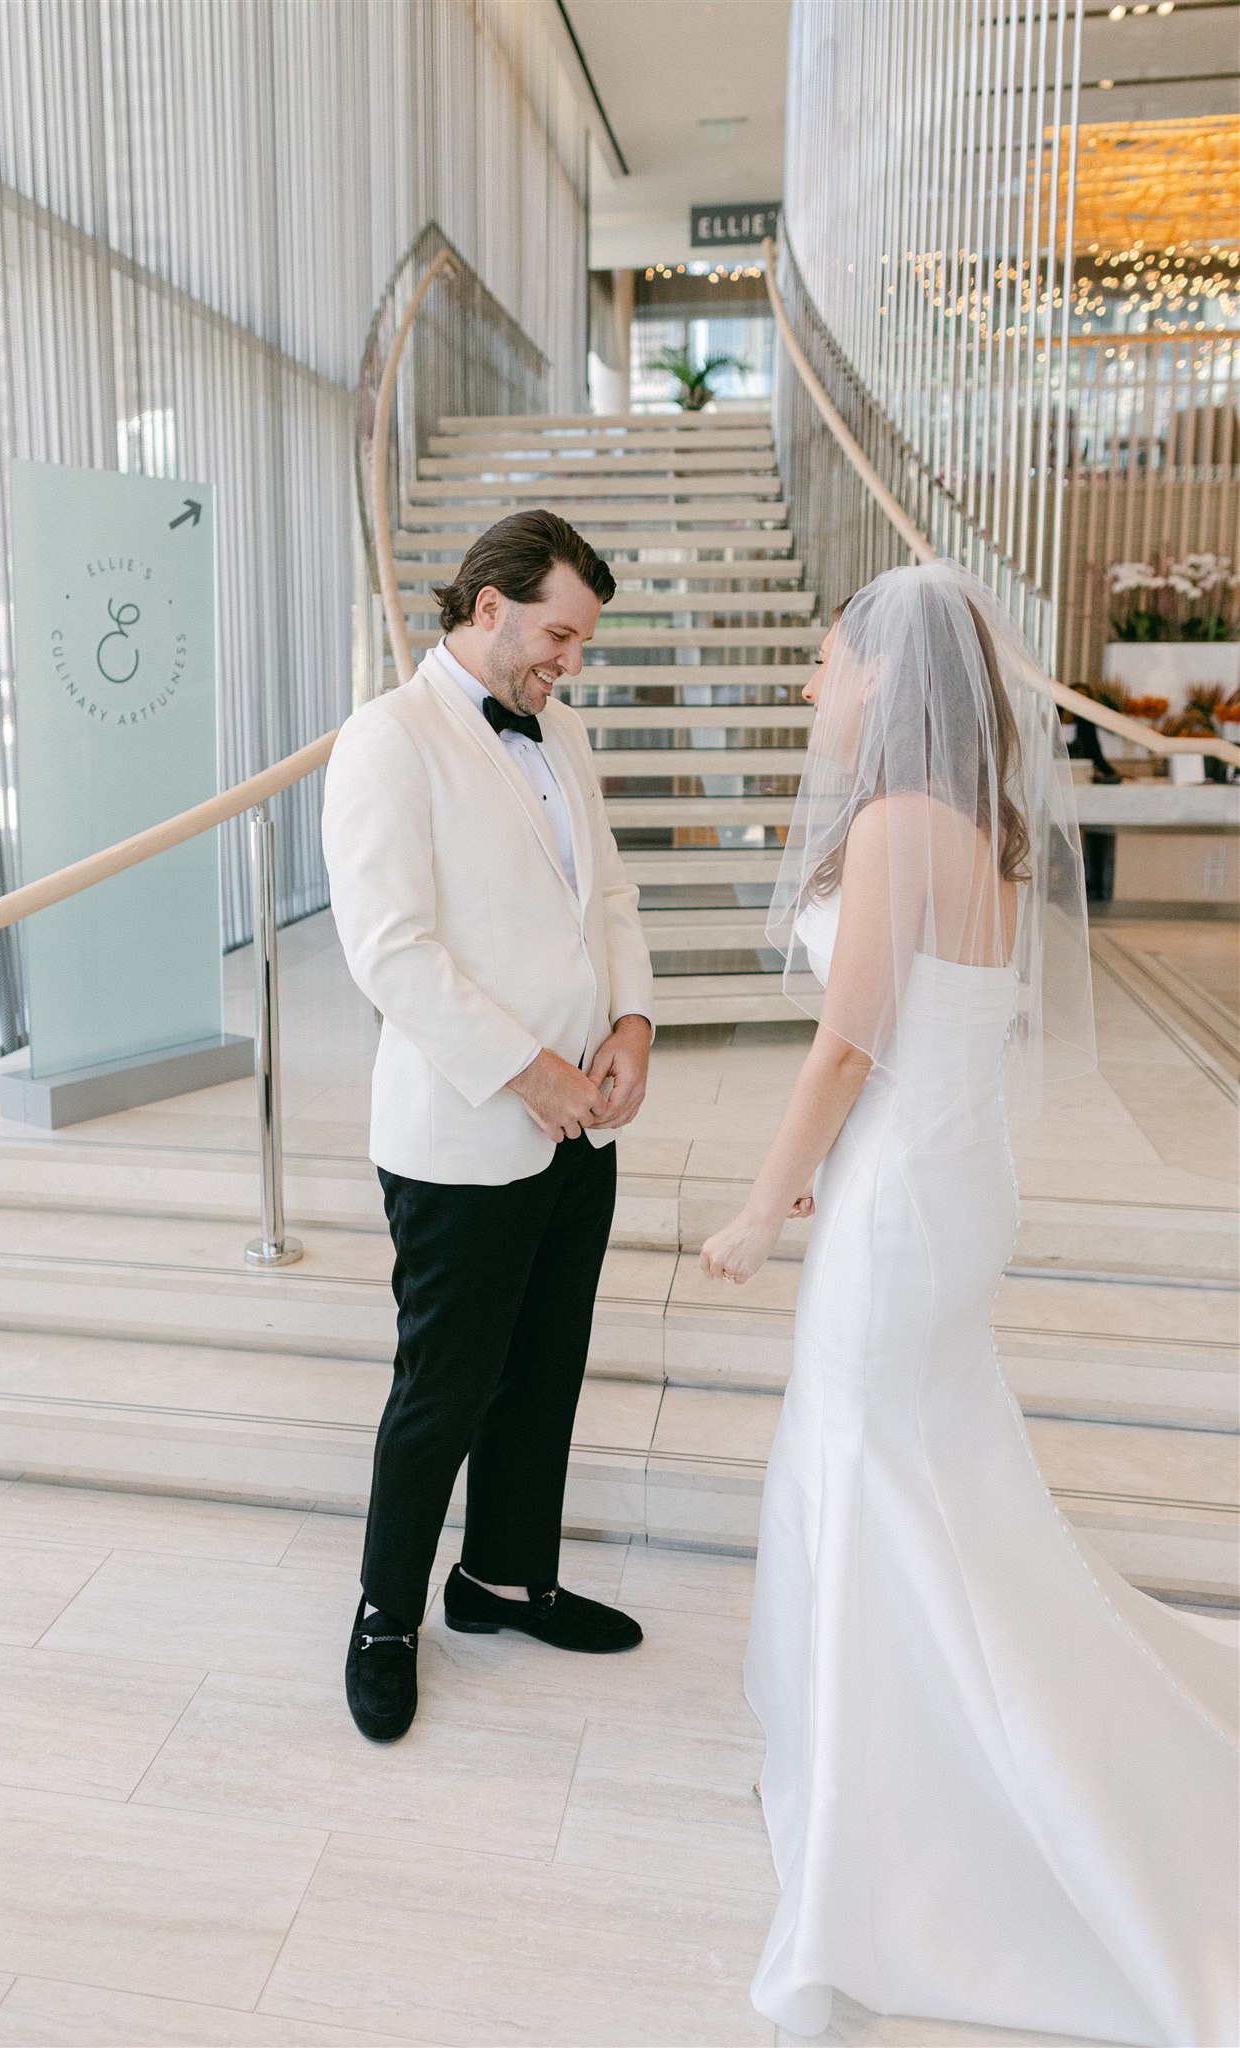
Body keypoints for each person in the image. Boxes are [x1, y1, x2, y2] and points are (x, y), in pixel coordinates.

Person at [702, 562, 1238, 2044]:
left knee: (870, 1468)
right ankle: (886, 1750)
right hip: (952, 1178)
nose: (817, 688)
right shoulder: (987, 826)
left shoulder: (892, 822)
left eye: (828, 664)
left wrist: (762, 1203)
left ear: (884, 676)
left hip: (902, 1200)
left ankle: (892, 1821)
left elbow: (845, 1043)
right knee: (922, 1472)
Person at [322, 508, 654, 1744]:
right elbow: (390, 953)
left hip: (584, 1119)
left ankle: (502, 1577)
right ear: (488, 606)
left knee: (545, 1369)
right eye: (558, 634)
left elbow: (608, 894)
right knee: (443, 1391)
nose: (568, 661)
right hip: (467, 1134)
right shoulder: (386, 740)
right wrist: (535, 1075)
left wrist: (631, 1027)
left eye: (580, 642)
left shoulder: (560, 732)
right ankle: (383, 1617)